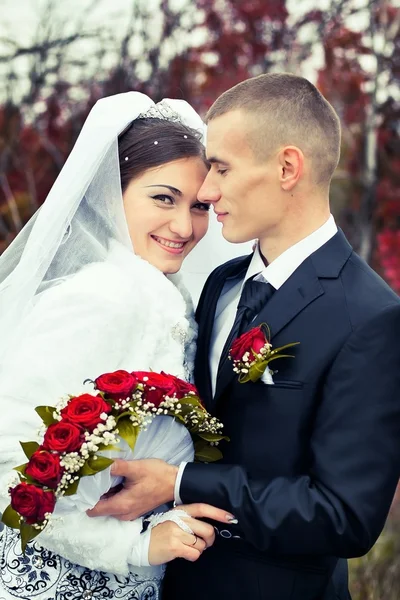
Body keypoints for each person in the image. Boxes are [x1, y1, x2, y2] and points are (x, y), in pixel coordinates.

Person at [87, 74, 400, 600]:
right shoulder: (222, 282)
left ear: (286, 168)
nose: (206, 191)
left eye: (222, 168)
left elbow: (346, 517)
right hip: (167, 578)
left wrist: (182, 482)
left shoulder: (369, 318)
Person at [0, 92, 247, 599]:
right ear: (112, 194)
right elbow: (9, 458)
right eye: (163, 198)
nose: (184, 227)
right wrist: (128, 548)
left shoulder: (172, 298)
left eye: (200, 206)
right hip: (56, 575)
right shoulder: (100, 296)